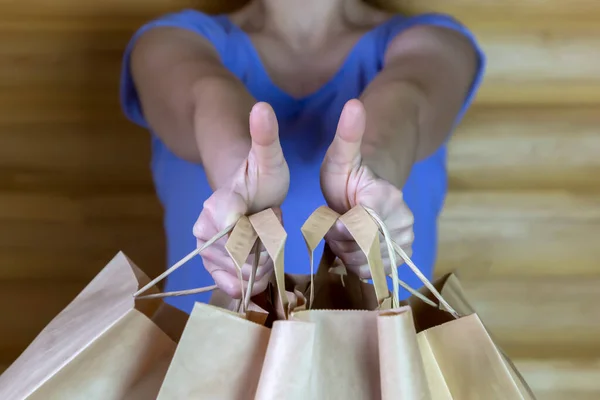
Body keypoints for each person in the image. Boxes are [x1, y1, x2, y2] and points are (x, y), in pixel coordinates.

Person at [120, 0, 485, 314]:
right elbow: (206, 96)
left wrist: (368, 188)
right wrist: (240, 186)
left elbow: (405, 101)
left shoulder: (438, 43)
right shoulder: (168, 43)